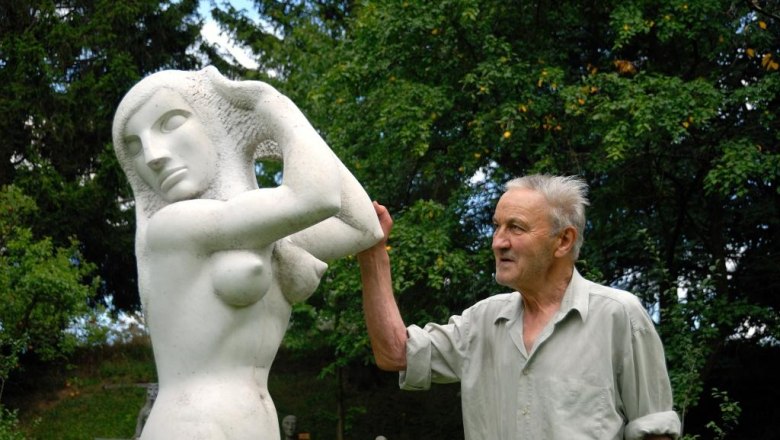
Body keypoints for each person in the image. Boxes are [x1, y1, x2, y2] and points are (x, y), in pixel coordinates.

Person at [112, 66, 382, 440]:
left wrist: (259, 129)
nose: (153, 156)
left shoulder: (258, 235)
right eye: (134, 147)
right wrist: (271, 104)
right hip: (190, 427)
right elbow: (317, 196)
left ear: (212, 122)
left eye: (170, 122)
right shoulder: (172, 229)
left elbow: (363, 226)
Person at [358, 174, 681, 440]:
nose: (498, 242)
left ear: (564, 241)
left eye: (516, 227)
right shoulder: (482, 322)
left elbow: (654, 431)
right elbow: (395, 353)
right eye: (497, 226)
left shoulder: (618, 315)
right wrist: (373, 251)